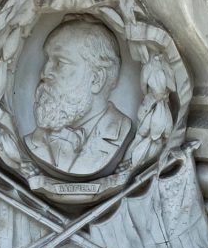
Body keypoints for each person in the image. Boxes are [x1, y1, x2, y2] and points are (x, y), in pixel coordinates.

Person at [24, 16, 132, 177]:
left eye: (60, 62)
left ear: (96, 79)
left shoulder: (124, 134)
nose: (44, 72)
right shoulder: (34, 140)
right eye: (47, 59)